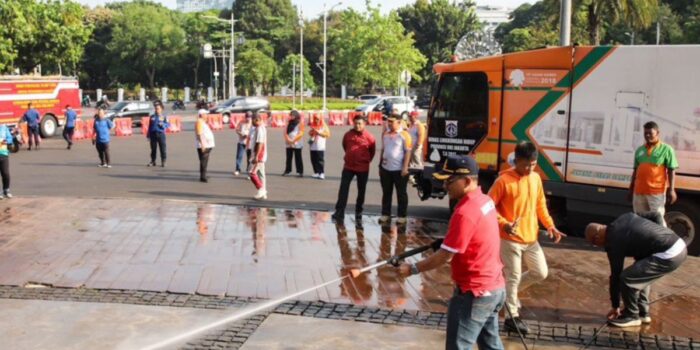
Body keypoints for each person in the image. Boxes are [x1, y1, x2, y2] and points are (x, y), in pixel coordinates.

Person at [398, 155, 505, 350]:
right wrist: (448, 241)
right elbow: (473, 237)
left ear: (466, 181)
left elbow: (445, 256)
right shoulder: (485, 200)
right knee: (491, 346)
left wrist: (413, 269)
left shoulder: (465, 212)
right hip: (494, 288)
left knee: (458, 347)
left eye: (449, 180)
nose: (445, 185)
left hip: (474, 293)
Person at [488, 141, 566, 334]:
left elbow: (540, 205)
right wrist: (504, 224)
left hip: (531, 238)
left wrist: (549, 225)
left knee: (541, 272)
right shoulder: (503, 181)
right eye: (526, 164)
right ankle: (511, 318)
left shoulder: (536, 179)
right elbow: (489, 207)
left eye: (533, 164)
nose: (530, 168)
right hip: (509, 239)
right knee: (513, 276)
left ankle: (507, 296)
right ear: (517, 160)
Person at [585, 212, 687, 327]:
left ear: (597, 238)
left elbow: (616, 276)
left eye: (594, 243)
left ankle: (632, 316)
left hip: (669, 254)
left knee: (627, 278)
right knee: (639, 275)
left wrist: (615, 306)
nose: (597, 246)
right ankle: (643, 313)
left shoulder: (613, 242)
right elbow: (656, 215)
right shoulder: (624, 216)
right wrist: (661, 233)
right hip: (677, 244)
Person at [628, 121, 678, 226]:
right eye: (645, 133)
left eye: (650, 133)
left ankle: (662, 242)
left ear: (657, 133)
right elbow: (636, 170)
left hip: (656, 193)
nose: (647, 135)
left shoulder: (667, 149)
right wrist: (631, 189)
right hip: (639, 193)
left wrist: (672, 190)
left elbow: (671, 170)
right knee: (639, 221)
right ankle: (642, 241)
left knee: (658, 222)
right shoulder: (639, 150)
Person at [332, 115, 376, 222]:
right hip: (348, 166)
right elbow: (345, 146)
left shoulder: (370, 137)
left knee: (361, 190)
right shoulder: (348, 135)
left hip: (362, 168)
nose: (357, 125)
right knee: (343, 189)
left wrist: (365, 160)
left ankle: (359, 210)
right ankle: (339, 211)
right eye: (356, 123)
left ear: (364, 124)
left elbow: (372, 152)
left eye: (360, 123)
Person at [378, 113, 412, 224]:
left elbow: (408, 152)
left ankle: (402, 216)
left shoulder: (404, 135)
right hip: (386, 169)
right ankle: (385, 214)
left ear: (399, 122)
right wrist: (380, 165)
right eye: (388, 121)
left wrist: (405, 168)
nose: (389, 124)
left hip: (399, 170)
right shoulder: (386, 134)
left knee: (401, 193)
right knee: (386, 192)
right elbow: (383, 150)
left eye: (392, 122)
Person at [249, 112, 268, 200]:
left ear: (257, 120)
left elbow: (260, 143)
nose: (251, 122)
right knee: (261, 174)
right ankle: (263, 193)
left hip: (259, 154)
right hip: (260, 154)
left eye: (252, 120)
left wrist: (256, 156)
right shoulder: (259, 128)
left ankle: (261, 189)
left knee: (252, 173)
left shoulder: (260, 129)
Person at [147, 101, 169, 167]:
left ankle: (163, 161)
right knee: (153, 149)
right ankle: (153, 161)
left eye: (158, 108)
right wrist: (148, 135)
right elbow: (149, 126)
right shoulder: (152, 116)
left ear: (161, 109)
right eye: (156, 108)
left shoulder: (164, 116)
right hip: (153, 134)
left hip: (161, 134)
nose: (156, 110)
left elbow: (168, 124)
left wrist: (163, 125)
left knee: (163, 148)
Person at [308, 113, 331, 179]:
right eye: (315, 119)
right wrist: (311, 132)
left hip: (320, 145)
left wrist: (319, 133)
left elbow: (328, 134)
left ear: (320, 118)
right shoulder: (313, 124)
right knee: (313, 159)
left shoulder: (324, 125)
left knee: (320, 160)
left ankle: (321, 173)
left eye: (317, 119)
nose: (316, 120)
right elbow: (310, 133)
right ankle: (316, 172)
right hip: (313, 144)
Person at [195, 110, 215, 182]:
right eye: (205, 114)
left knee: (204, 161)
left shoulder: (202, 122)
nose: (207, 115)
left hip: (207, 145)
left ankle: (204, 175)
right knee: (203, 161)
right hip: (204, 145)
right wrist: (203, 144)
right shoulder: (199, 122)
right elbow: (199, 134)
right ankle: (203, 176)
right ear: (201, 115)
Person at [283, 110, 304, 177]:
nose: (291, 116)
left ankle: (299, 171)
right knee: (288, 157)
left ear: (296, 116)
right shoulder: (288, 123)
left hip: (297, 143)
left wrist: (293, 140)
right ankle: (288, 170)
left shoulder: (300, 123)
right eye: (290, 115)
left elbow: (301, 133)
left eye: (292, 115)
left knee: (298, 157)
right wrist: (288, 139)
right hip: (288, 143)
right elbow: (285, 132)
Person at [407, 110, 425, 184]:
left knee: (416, 161)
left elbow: (421, 136)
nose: (409, 118)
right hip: (410, 146)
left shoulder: (419, 125)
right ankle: (410, 177)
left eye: (411, 116)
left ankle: (421, 175)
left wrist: (418, 145)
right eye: (409, 116)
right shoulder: (411, 124)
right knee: (409, 162)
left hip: (416, 146)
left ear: (415, 116)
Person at [0, 123, 13, 199]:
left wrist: (6, 141)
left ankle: (6, 190)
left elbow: (9, 138)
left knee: (6, 173)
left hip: (4, 154)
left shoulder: (4, 128)